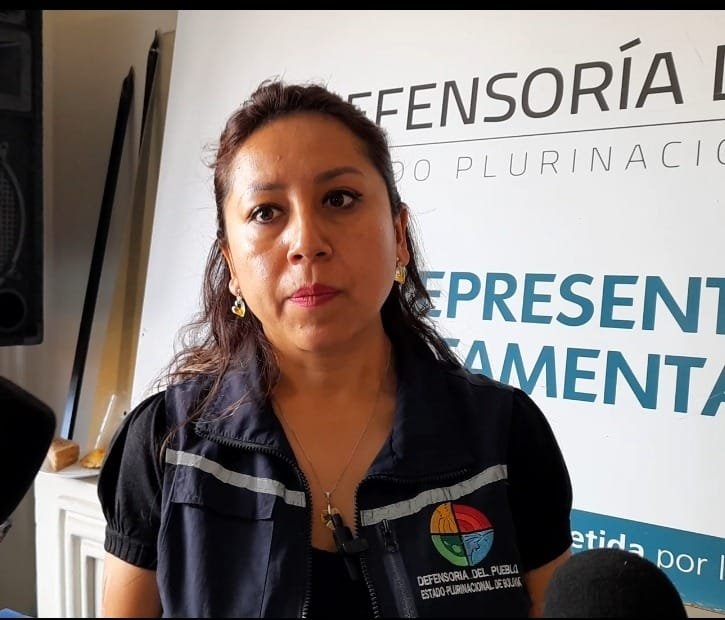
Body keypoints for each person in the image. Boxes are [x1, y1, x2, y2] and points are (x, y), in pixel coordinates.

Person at [97, 78, 573, 618]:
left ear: (399, 234)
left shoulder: (504, 436)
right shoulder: (166, 443)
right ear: (231, 264)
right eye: (266, 212)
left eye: (339, 199)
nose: (306, 242)